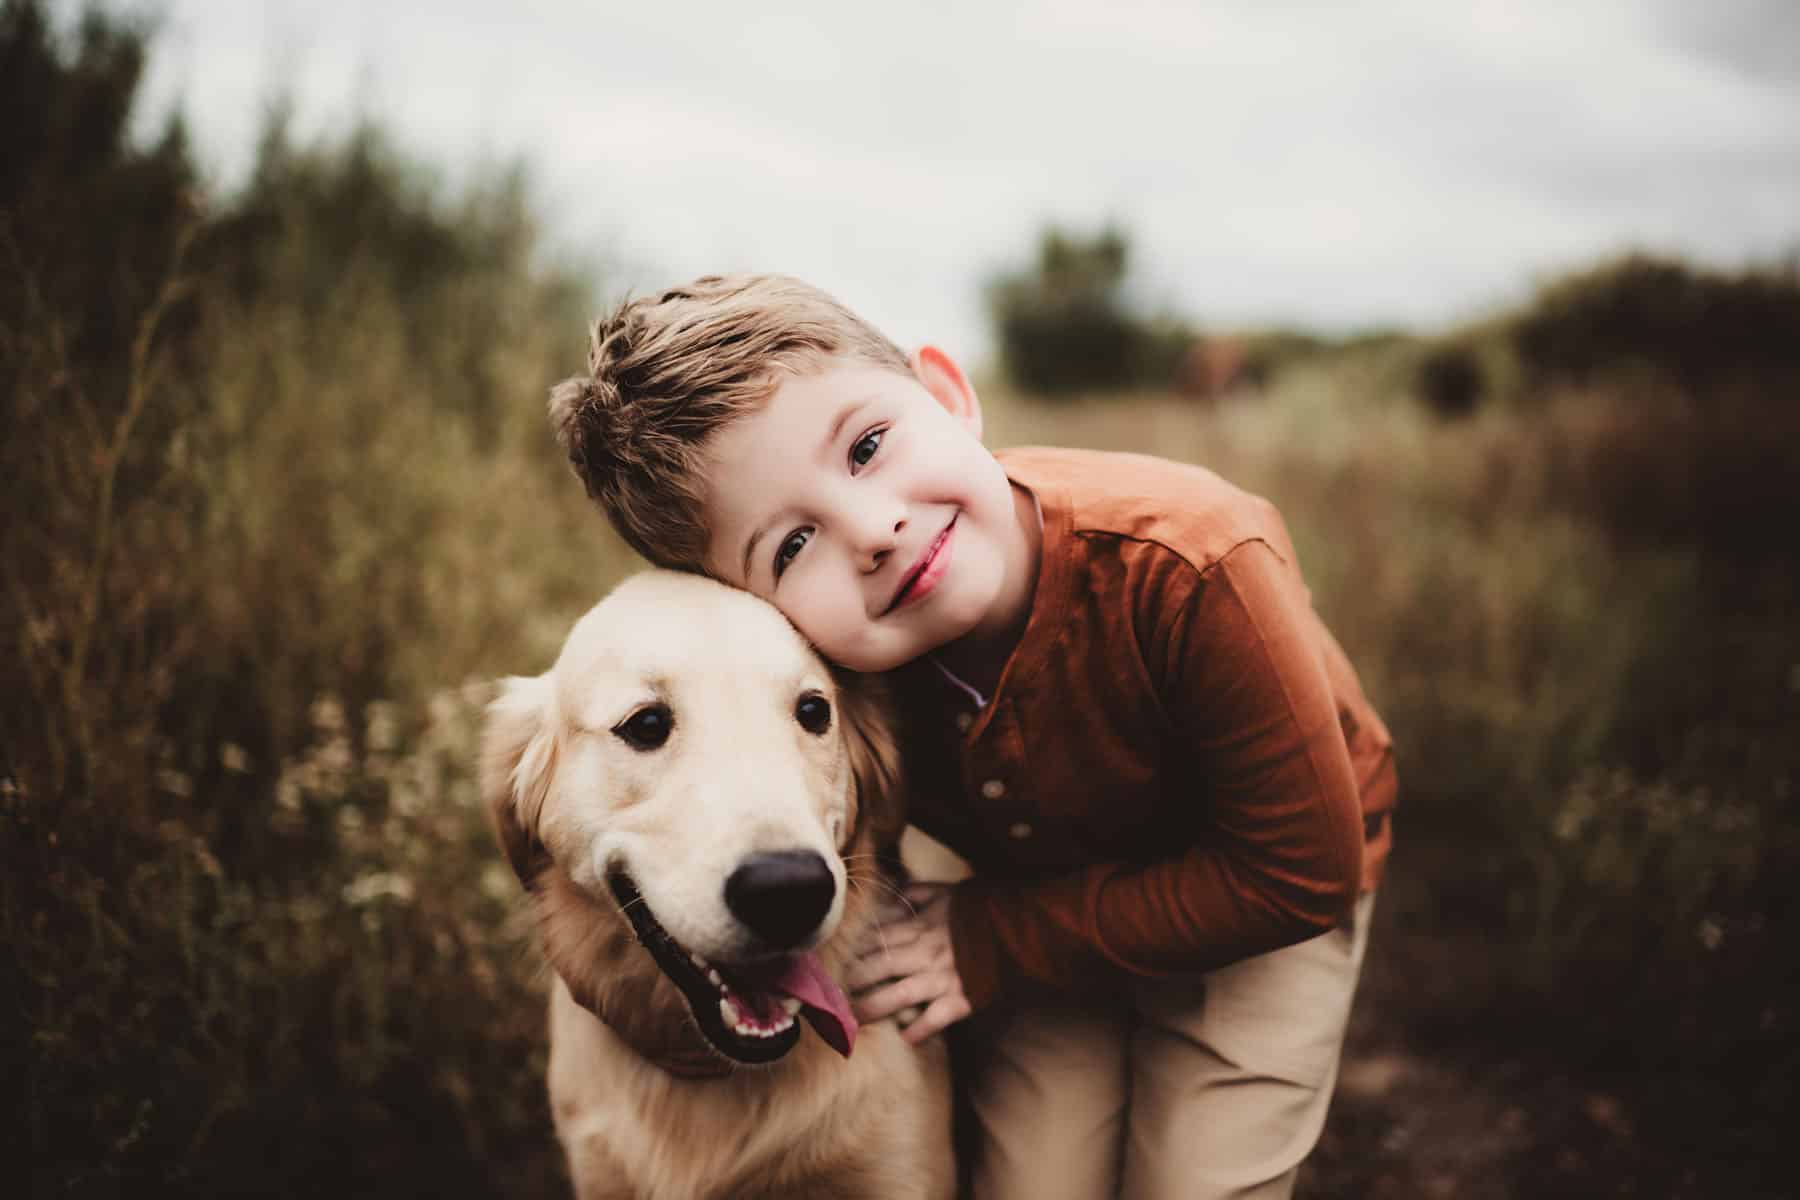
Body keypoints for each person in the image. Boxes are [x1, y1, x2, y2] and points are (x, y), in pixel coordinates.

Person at [548, 273, 1397, 1199]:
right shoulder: (830, 668)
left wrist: (990, 940)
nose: (875, 532)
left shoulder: (1195, 560)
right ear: (756, 606)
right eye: (792, 546)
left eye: (868, 446)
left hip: (1256, 890)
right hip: (1030, 881)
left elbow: (1303, 870)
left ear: (948, 393)